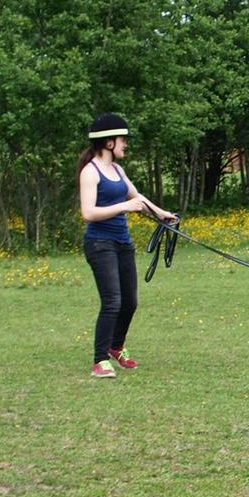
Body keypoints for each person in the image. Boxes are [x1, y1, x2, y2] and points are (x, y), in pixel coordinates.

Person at [77, 113, 177, 378]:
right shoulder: (91, 172)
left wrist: (161, 213)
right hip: (100, 244)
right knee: (112, 301)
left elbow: (137, 196)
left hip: (122, 243)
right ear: (108, 142)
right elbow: (88, 213)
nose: (125, 144)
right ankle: (100, 360)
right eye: (122, 139)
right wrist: (123, 206)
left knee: (130, 301)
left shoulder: (118, 170)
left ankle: (116, 347)